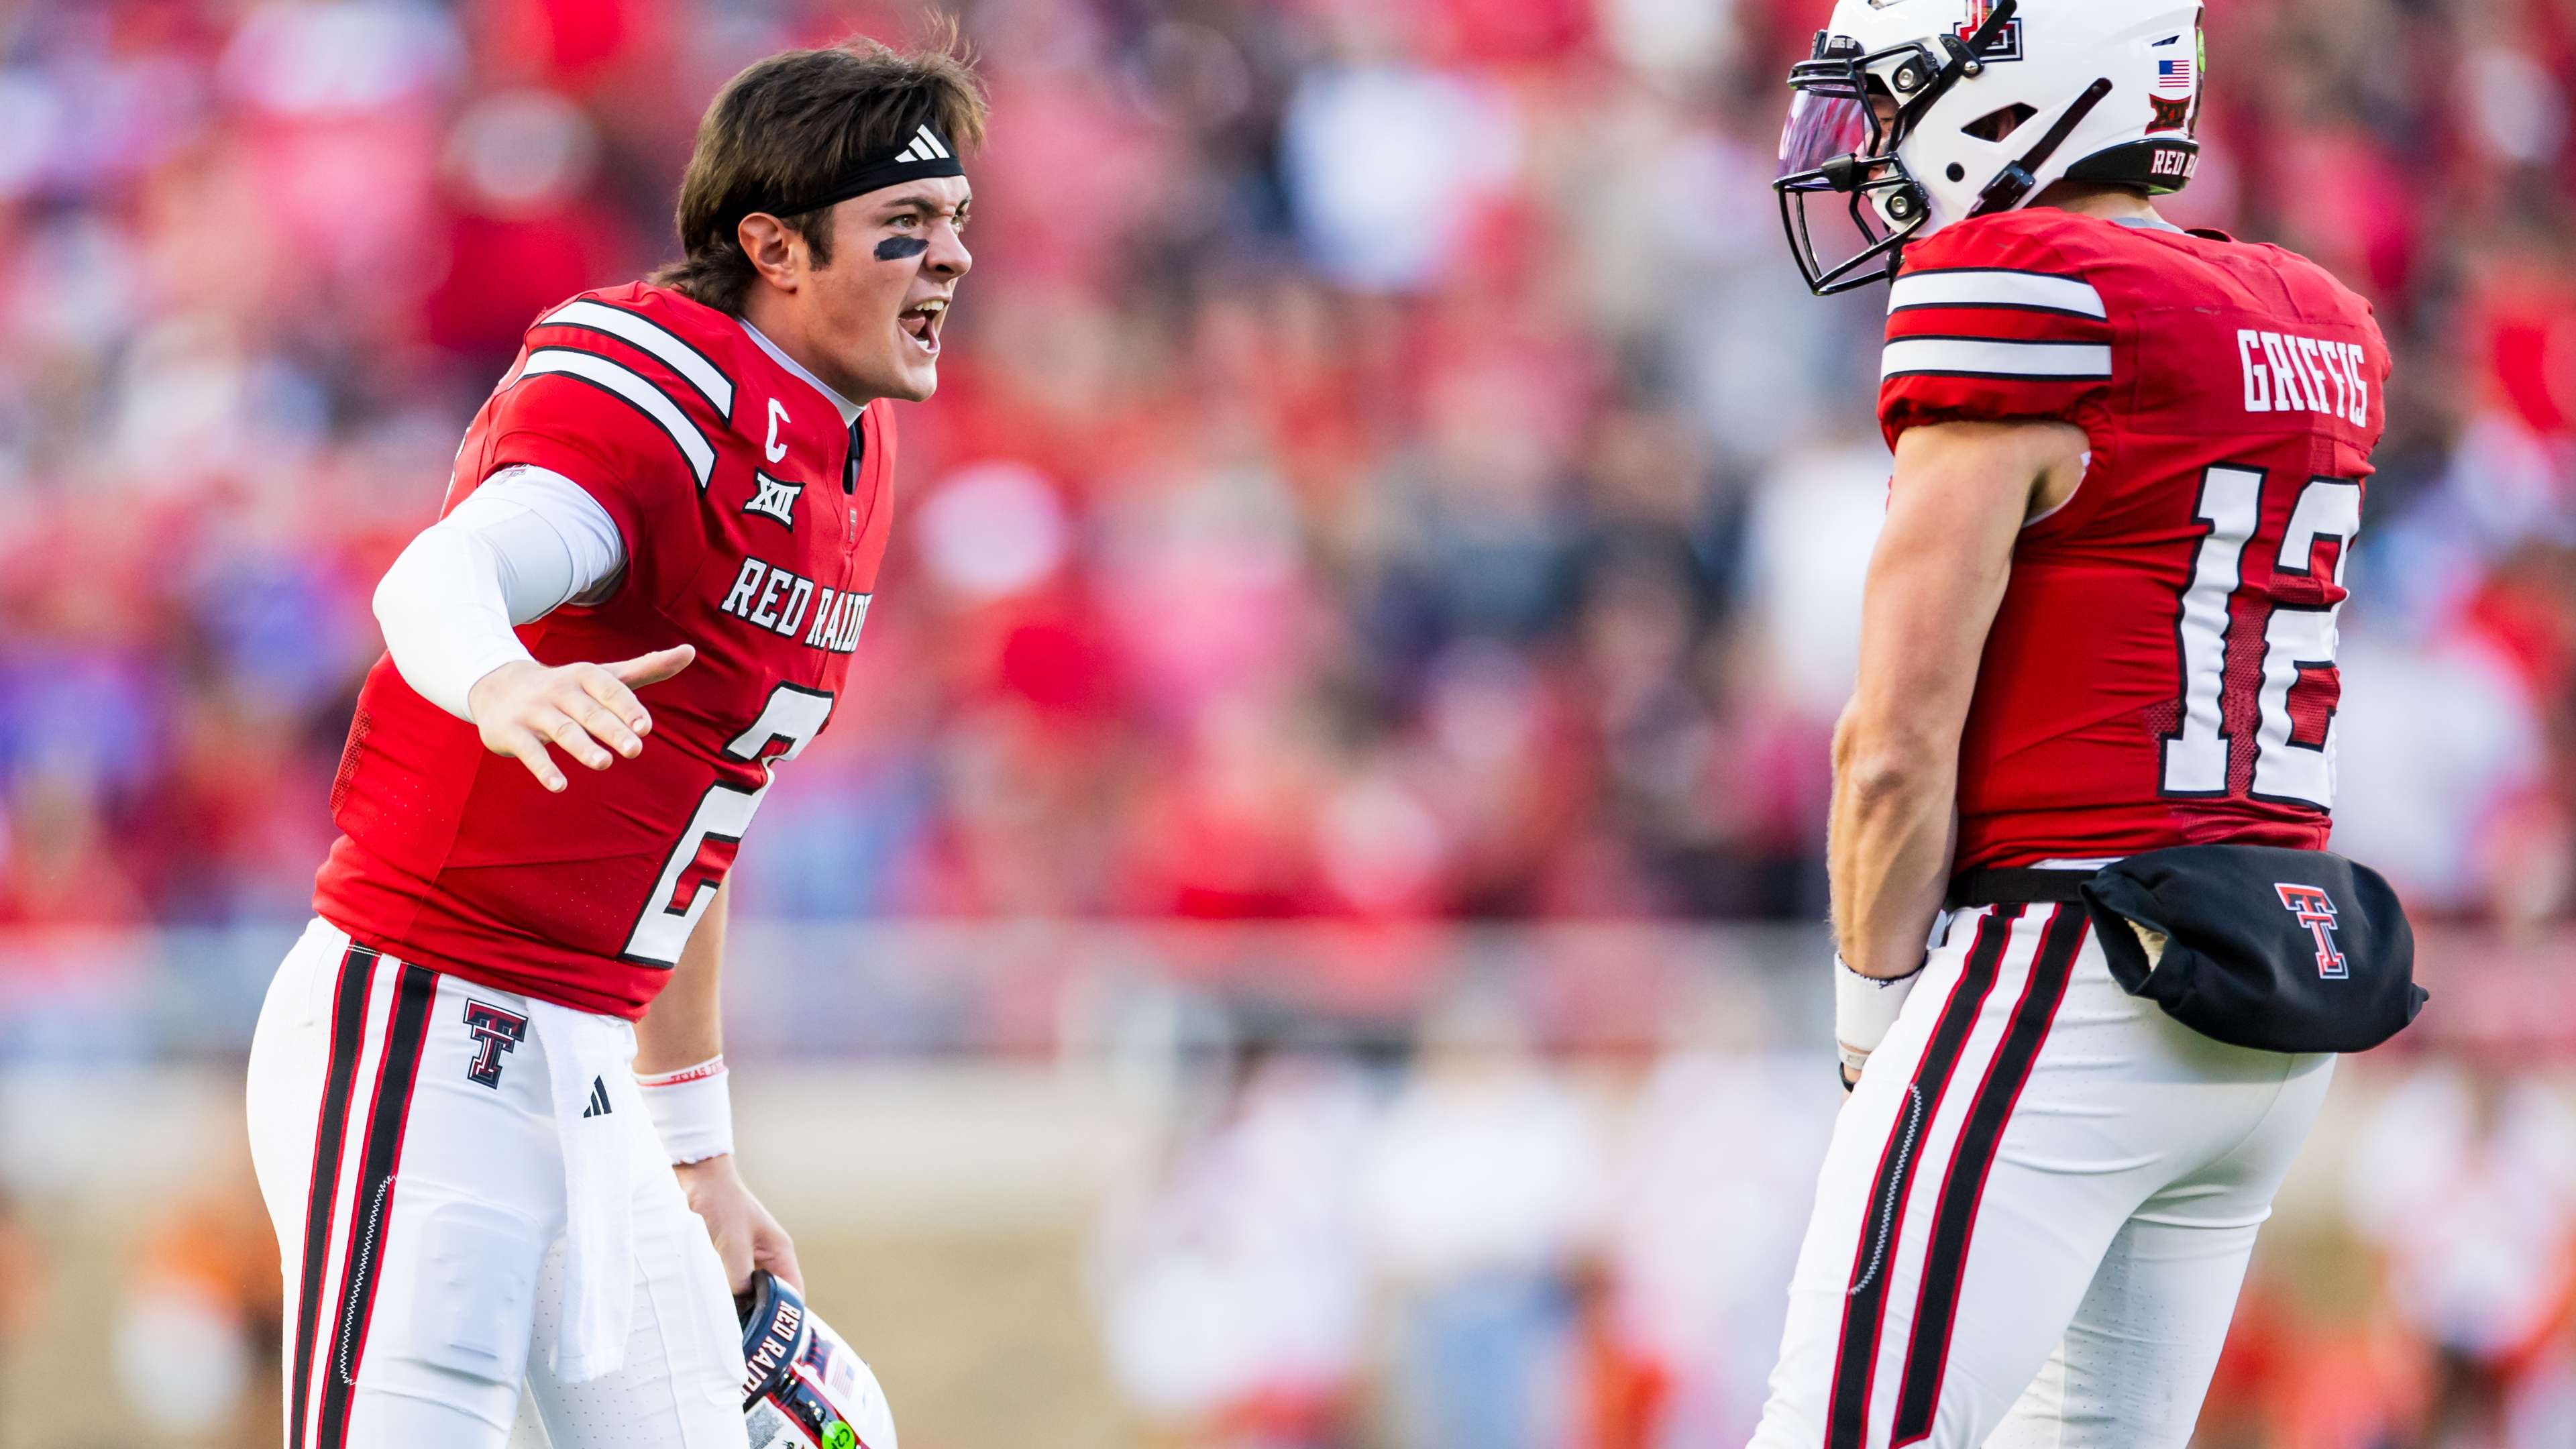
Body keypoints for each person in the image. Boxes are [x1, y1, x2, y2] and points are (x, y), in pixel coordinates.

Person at [241, 34, 981, 1449]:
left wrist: (697, 1147)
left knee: (819, 1435)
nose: (948, 260)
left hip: (586, 1072)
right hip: (425, 1024)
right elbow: (442, 578)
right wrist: (500, 682)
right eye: (905, 228)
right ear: (774, 245)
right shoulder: (669, 398)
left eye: (955, 225)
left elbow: (700, 820)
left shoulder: (847, 448)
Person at [1756, 1, 2387, 1446]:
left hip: (2071, 967)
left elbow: (1896, 744)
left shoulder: (2023, 287)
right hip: (2266, 986)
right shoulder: (2310, 311)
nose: (1883, 140)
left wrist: (1871, 1029)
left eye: (1905, 93)